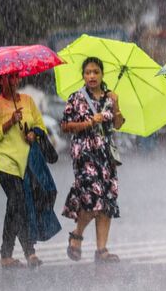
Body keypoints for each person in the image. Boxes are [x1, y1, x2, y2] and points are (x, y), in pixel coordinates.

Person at [61, 57, 125, 264]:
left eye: (96, 72)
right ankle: (77, 235)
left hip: (106, 155)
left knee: (106, 201)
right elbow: (65, 125)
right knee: (92, 198)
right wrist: (89, 122)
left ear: (102, 74)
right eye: (88, 72)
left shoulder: (109, 97)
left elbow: (118, 124)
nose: (92, 76)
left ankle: (102, 249)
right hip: (84, 154)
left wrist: (116, 105)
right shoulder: (76, 98)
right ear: (83, 76)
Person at [0, 72, 46, 268]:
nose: (13, 81)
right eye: (8, 78)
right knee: (17, 200)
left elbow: (40, 126)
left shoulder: (27, 101)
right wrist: (10, 121)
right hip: (4, 162)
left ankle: (8, 254)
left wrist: (33, 135)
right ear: (0, 80)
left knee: (18, 206)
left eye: (15, 77)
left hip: (25, 161)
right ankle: (27, 252)